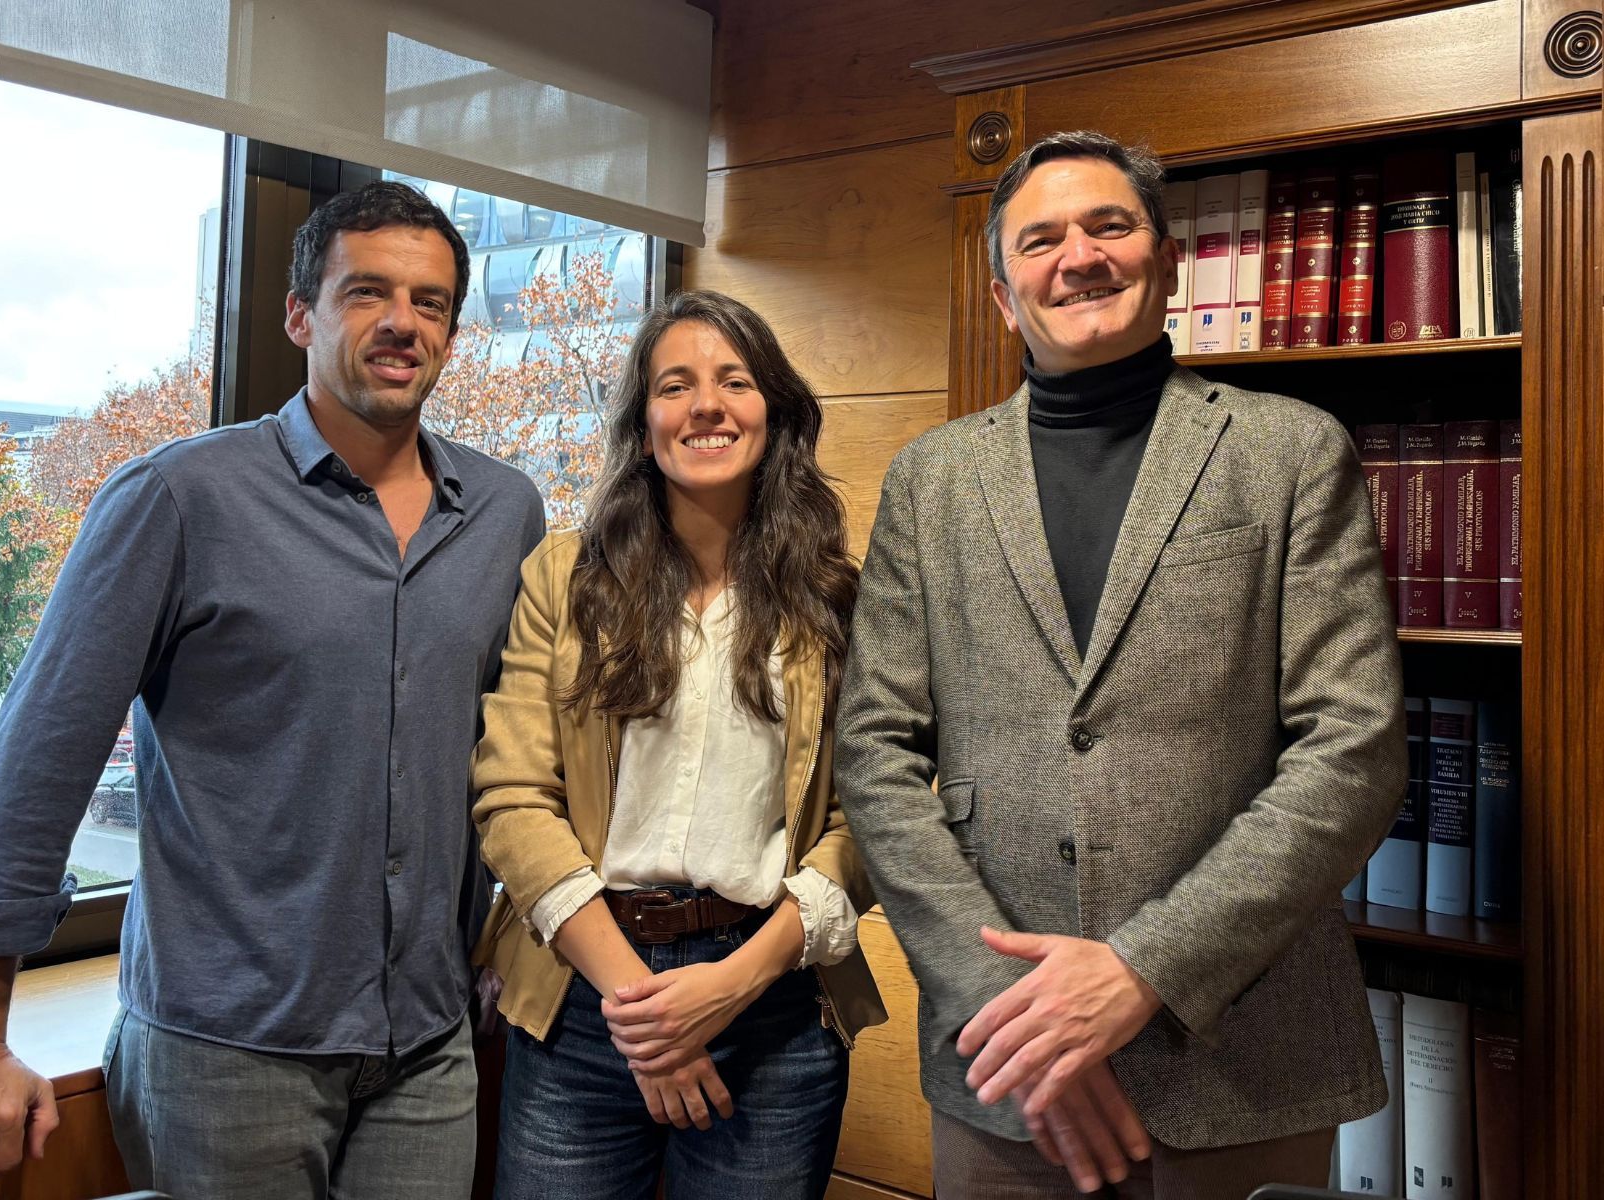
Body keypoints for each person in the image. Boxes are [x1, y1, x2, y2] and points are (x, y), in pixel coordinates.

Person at [0, 180, 545, 1198]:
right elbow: (39, 757)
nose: (401, 323)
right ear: (299, 314)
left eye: (429, 303)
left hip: (429, 1048)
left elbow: (515, 752)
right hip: (225, 1056)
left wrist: (506, 928)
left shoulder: (506, 511)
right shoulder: (178, 495)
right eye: (366, 293)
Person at [834, 130, 1407, 1200]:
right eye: (1041, 239)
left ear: (1167, 259)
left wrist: (1147, 970)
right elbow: (872, 753)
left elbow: (1355, 749)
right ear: (1005, 295)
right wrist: (1011, 1012)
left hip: (1243, 1064)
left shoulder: (1292, 452)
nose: (1079, 256)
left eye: (1110, 225)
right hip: (1003, 1075)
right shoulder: (932, 481)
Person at [469, 289, 887, 1200]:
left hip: (774, 1002)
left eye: (734, 381)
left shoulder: (838, 596)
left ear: (773, 414)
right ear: (642, 421)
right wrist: (643, 1013)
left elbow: (873, 814)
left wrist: (732, 985)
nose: (706, 405)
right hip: (582, 994)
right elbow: (511, 798)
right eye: (676, 385)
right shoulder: (565, 576)